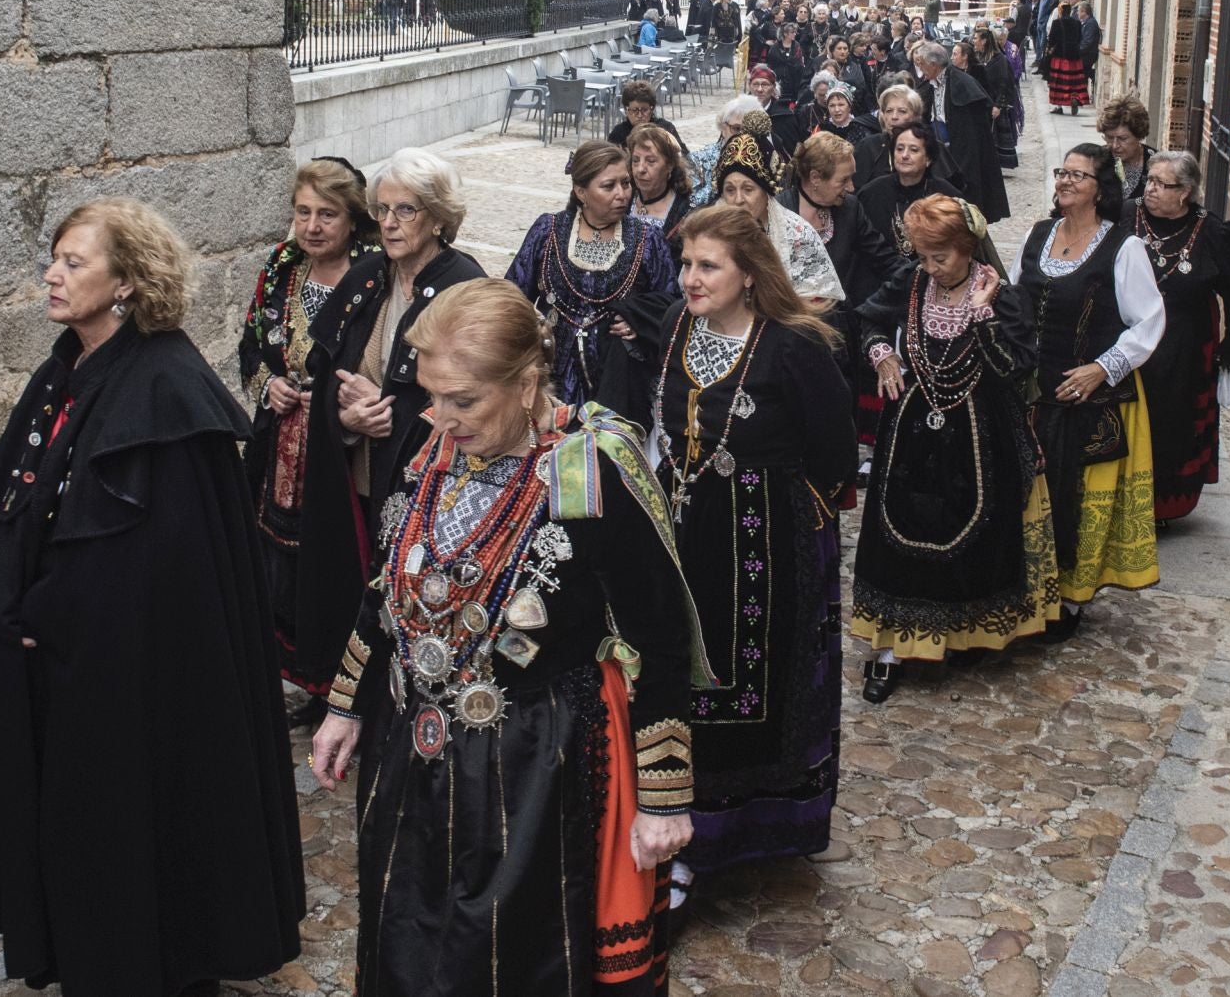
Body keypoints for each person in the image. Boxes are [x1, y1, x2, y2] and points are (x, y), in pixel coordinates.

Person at [309, 279, 699, 996]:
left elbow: (659, 637)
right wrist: (344, 705)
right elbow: (384, 587)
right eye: (433, 395)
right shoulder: (428, 450)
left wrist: (662, 797)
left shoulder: (589, 474)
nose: (440, 416)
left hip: (534, 764)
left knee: (513, 960)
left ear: (525, 384)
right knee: (403, 937)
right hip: (410, 751)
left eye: (464, 400)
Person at [0, 198, 305, 996]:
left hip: (134, 676)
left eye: (74, 262)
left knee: (141, 829)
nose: (53, 273)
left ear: (127, 282)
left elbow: (163, 565)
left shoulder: (167, 385)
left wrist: (48, 616)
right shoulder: (69, 366)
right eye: (54, 258)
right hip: (69, 664)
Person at [653, 205, 852, 904]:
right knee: (681, 674)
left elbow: (833, 454)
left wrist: (796, 527)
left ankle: (746, 827)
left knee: (757, 682)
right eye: (686, 265)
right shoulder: (677, 328)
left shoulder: (793, 347)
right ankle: (678, 829)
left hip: (766, 544)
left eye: (708, 266)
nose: (691, 279)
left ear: (746, 275)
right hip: (685, 531)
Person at [851, 196, 1060, 703]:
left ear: (967, 248)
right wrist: (882, 355)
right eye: (923, 256)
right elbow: (867, 318)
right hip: (911, 434)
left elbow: (1017, 366)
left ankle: (962, 633)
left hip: (978, 435)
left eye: (939, 257)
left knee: (974, 530)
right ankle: (889, 649)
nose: (930, 267)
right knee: (897, 532)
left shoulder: (1001, 297)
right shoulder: (912, 282)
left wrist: (983, 315)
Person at [293, 149, 486, 698]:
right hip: (357, 469)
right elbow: (326, 368)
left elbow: (476, 393)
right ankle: (344, 688)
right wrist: (349, 417)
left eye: (406, 210)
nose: (390, 224)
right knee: (351, 580)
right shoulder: (367, 275)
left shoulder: (463, 285)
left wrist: (391, 413)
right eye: (382, 211)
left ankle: (398, 695)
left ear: (437, 216)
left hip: (424, 478)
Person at [239, 159, 380, 718]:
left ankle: (344, 687)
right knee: (279, 563)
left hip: (339, 450)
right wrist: (267, 383)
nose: (313, 226)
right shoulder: (281, 266)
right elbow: (251, 345)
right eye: (303, 212)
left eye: (328, 214)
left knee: (337, 561)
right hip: (278, 445)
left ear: (352, 220)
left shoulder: (371, 274)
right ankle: (304, 678)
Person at [1012, 144, 1165, 640]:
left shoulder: (1124, 248)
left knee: (1076, 499)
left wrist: (1103, 368)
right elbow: (1015, 302)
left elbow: (1149, 321)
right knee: (1028, 494)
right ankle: (1029, 589)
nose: (1064, 182)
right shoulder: (1039, 236)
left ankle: (1071, 599)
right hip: (1031, 391)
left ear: (1100, 190)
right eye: (1062, 173)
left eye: (1077, 176)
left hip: (1086, 398)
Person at [507, 140, 680, 427]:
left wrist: (639, 320)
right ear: (581, 192)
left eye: (626, 183)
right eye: (608, 186)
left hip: (617, 381)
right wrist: (536, 325)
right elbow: (512, 295)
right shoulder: (548, 230)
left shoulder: (648, 240)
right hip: (552, 378)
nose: (622, 194)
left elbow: (672, 306)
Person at [1125, 150, 1230, 522]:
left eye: (1163, 184)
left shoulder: (1213, 232)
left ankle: (1162, 506)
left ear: (1186, 191)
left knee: (1171, 419)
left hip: (1184, 343)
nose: (1151, 189)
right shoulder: (1125, 215)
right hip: (1128, 335)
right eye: (1150, 180)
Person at [780, 133, 903, 321]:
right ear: (815, 178)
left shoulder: (850, 209)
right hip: (788, 326)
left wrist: (923, 276)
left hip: (839, 327)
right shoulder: (778, 213)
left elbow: (883, 259)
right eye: (843, 180)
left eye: (851, 178)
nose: (852, 187)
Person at [713, 130, 844, 303]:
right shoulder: (710, 231)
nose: (738, 200)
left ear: (766, 193)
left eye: (748, 189)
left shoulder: (798, 234)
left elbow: (818, 301)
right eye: (730, 190)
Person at [914, 41, 1008, 223]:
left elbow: (974, 129)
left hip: (961, 153)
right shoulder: (929, 84)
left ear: (933, 64)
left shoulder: (962, 82)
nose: (920, 69)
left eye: (922, 64)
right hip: (936, 152)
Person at [856, 123, 971, 260]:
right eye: (899, 149)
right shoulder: (871, 193)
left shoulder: (947, 195)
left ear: (928, 159)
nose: (904, 155)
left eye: (914, 150)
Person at [686, 93, 764, 206]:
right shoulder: (699, 159)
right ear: (723, 127)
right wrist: (719, 184)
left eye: (750, 130)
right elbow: (689, 203)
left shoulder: (764, 160)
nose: (743, 136)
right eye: (737, 129)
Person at [627, 122, 694, 242]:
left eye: (651, 161)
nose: (640, 169)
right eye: (635, 160)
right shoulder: (625, 198)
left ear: (670, 165)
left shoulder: (684, 212)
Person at [971, 26, 1021, 170]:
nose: (973, 41)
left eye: (975, 38)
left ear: (984, 41)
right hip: (980, 105)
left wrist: (998, 105)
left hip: (994, 105)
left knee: (995, 138)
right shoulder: (977, 58)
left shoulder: (1000, 60)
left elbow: (1004, 84)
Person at [1097, 93, 1155, 196]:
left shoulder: (1156, 164)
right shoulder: (1097, 160)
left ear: (1139, 135)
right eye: (1109, 138)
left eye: (1122, 139)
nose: (1114, 145)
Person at [1044, 0, 1090, 113]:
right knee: (1073, 80)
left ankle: (1059, 106)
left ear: (1060, 10)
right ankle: (1074, 97)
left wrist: (1048, 50)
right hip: (1074, 57)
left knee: (1059, 81)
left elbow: (1052, 40)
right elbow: (1079, 38)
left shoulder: (1056, 23)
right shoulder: (1077, 23)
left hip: (1060, 56)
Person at [609, 78, 682, 150]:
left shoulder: (665, 128)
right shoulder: (618, 134)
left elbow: (684, 156)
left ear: (652, 108)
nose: (640, 115)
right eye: (634, 110)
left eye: (644, 110)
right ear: (626, 110)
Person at [1076, 1, 1102, 90]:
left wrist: (1077, 51)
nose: (1077, 13)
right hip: (1086, 54)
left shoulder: (1090, 24)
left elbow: (1087, 42)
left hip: (1088, 55)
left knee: (1081, 75)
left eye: (1079, 11)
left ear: (1084, 12)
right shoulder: (1087, 22)